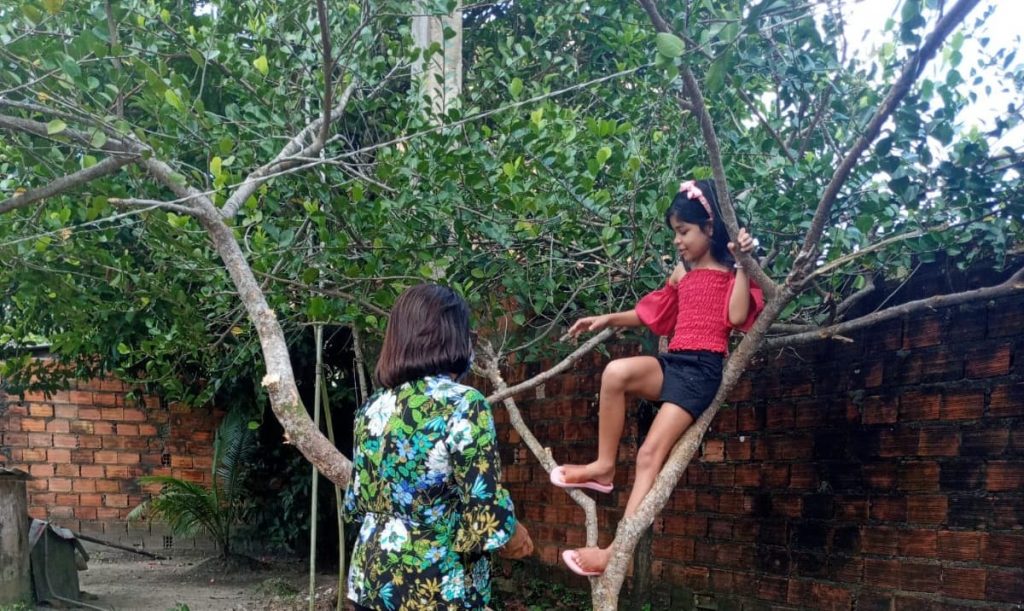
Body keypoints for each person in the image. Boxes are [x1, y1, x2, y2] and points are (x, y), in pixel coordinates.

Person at [551, 180, 763, 576]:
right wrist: (607, 319)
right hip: (674, 361)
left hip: (702, 371)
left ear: (710, 227)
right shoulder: (681, 273)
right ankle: (603, 468)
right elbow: (654, 314)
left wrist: (745, 267)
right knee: (615, 373)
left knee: (650, 454)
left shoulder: (732, 270)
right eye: (675, 234)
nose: (678, 242)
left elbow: (736, 318)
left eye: (684, 232)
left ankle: (616, 553)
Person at [343, 284, 533, 610]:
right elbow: (483, 514)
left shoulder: (372, 408)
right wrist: (513, 534)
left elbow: (356, 502)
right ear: (453, 336)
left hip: (369, 581)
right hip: (435, 588)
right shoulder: (463, 403)